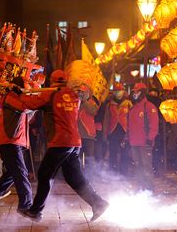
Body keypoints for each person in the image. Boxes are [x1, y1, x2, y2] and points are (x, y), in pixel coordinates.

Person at [18, 70, 109, 222]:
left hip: (60, 141)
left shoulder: (49, 94)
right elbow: (86, 96)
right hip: (74, 142)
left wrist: (19, 93)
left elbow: (29, 103)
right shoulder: (74, 95)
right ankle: (98, 203)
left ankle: (36, 211)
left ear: (52, 80)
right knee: (74, 177)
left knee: (45, 173)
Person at [0, 77, 34, 216]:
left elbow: (29, 112)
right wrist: (35, 98)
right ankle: (26, 204)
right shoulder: (10, 97)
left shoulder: (19, 99)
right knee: (21, 173)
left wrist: (34, 99)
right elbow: (25, 108)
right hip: (10, 142)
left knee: (12, 174)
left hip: (15, 141)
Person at [126, 82, 159, 190]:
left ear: (142, 93)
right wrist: (127, 138)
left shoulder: (149, 107)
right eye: (134, 92)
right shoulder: (133, 108)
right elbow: (130, 126)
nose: (135, 94)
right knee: (138, 166)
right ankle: (141, 188)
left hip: (145, 143)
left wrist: (150, 138)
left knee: (146, 167)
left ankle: (149, 188)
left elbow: (154, 123)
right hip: (134, 142)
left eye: (137, 92)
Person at [104, 82, 132, 174]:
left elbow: (131, 119)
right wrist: (105, 134)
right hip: (113, 131)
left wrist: (130, 132)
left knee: (125, 152)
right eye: (116, 91)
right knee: (113, 152)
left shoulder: (128, 103)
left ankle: (124, 172)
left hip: (125, 131)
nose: (117, 93)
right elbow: (106, 119)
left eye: (119, 91)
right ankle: (113, 171)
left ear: (123, 91)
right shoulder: (109, 104)